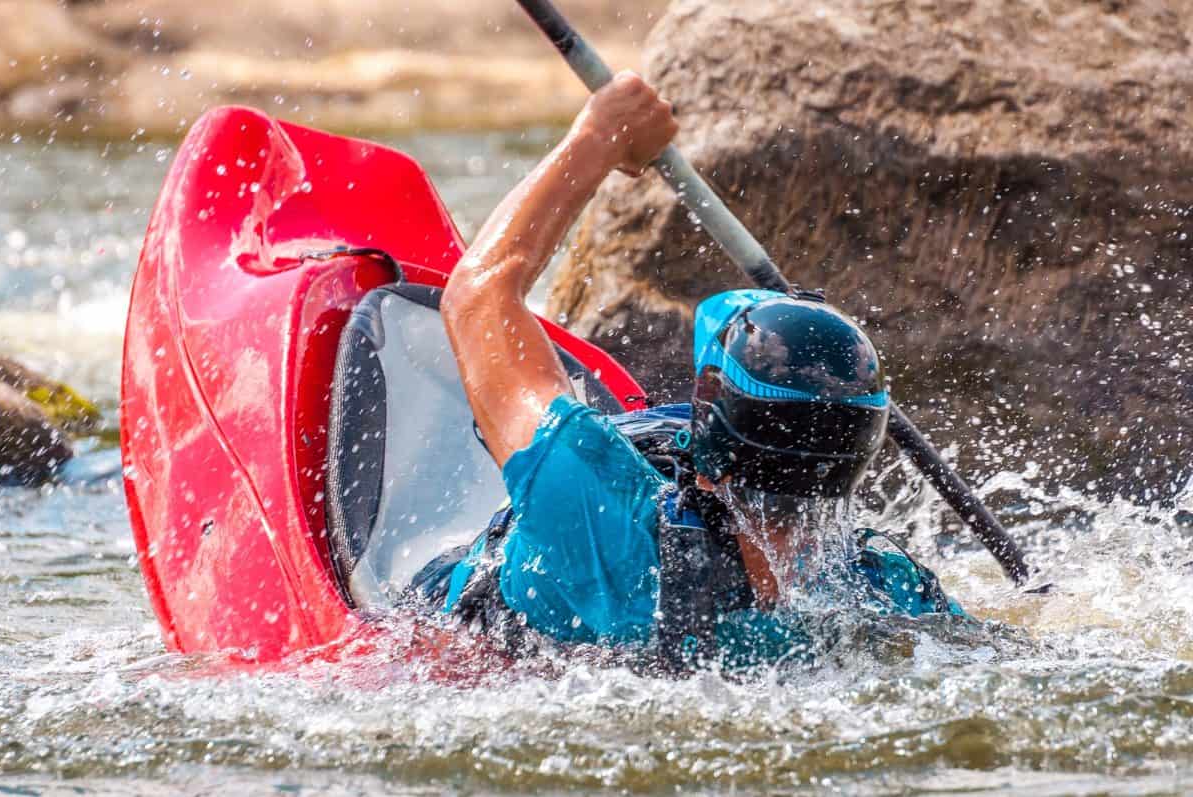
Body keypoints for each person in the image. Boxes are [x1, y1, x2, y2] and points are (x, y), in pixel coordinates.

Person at [412, 71, 963, 672]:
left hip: (480, 661)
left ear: (707, 456)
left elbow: (477, 296)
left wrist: (598, 137)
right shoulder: (879, 583)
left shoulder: (597, 510)